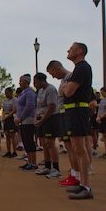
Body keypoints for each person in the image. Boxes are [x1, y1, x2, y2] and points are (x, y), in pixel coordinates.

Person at [61, 42, 95, 199]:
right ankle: (82, 183)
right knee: (76, 148)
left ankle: (86, 188)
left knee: (80, 149)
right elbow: (64, 90)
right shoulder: (78, 69)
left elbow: (67, 92)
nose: (68, 50)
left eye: (72, 49)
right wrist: (66, 88)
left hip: (77, 111)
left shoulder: (82, 68)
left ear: (80, 51)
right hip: (73, 112)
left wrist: (66, 87)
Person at [46, 60, 78, 186]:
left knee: (74, 147)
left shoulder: (70, 77)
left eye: (52, 73)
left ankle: (78, 175)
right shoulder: (63, 81)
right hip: (63, 114)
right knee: (69, 146)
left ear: (57, 69)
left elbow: (67, 93)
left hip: (69, 114)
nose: (53, 76)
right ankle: (74, 174)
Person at [33, 72, 61, 179]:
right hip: (41, 119)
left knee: (50, 143)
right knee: (43, 143)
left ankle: (56, 168)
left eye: (36, 82)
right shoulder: (40, 91)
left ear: (41, 81)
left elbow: (51, 107)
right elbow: (38, 106)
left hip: (50, 119)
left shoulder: (51, 89)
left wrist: (43, 120)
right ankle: (47, 166)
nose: (35, 85)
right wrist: (36, 118)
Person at [15, 74, 37, 171]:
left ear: (27, 82)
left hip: (28, 119)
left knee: (29, 141)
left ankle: (33, 163)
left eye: (21, 81)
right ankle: (29, 161)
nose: (19, 83)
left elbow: (29, 106)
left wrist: (21, 117)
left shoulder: (30, 93)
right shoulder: (23, 93)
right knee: (25, 141)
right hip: (23, 120)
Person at [2, 87, 17, 158]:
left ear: (11, 93)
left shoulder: (14, 100)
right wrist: (3, 117)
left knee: (12, 135)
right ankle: (8, 151)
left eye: (7, 93)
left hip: (11, 118)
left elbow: (14, 110)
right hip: (6, 118)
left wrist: (6, 117)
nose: (6, 95)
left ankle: (14, 151)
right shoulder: (5, 101)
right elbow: (3, 110)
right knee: (7, 135)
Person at [96, 87, 106, 158]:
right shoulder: (102, 100)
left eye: (102, 92)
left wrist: (102, 116)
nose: (101, 93)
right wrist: (98, 116)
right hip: (101, 119)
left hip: (104, 119)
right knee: (104, 136)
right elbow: (99, 109)